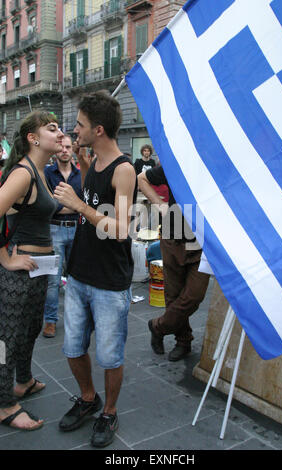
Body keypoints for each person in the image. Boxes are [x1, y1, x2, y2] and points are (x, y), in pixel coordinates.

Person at [53, 91, 137, 448]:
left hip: (108, 282)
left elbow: (119, 229)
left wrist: (76, 204)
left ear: (98, 130)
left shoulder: (124, 169)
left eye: (81, 125)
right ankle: (89, 399)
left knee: (109, 354)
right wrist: (84, 172)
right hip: (79, 274)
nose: (75, 131)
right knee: (72, 348)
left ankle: (110, 411)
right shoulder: (92, 164)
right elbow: (93, 201)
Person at [0, 110, 63, 431]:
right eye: (52, 128)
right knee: (6, 338)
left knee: (29, 329)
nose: (60, 132)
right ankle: (4, 405)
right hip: (19, 268)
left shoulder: (41, 171)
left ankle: (22, 381)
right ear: (33, 138)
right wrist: (6, 258)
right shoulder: (23, 173)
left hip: (39, 267)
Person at [138, 165, 210, 361]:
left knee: (194, 295)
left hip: (204, 240)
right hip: (172, 237)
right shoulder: (177, 160)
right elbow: (141, 178)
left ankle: (158, 327)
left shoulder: (219, 164)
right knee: (173, 294)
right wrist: (160, 205)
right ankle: (183, 341)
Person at [42, 135, 82, 338]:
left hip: (77, 228)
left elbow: (84, 205)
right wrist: (73, 205)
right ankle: (50, 320)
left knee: (77, 278)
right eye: (61, 147)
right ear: (56, 150)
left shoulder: (80, 175)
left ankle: (77, 318)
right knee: (52, 279)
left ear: (73, 149)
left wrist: (67, 206)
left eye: (68, 147)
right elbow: (49, 205)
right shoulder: (47, 173)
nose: (65, 150)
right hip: (54, 229)